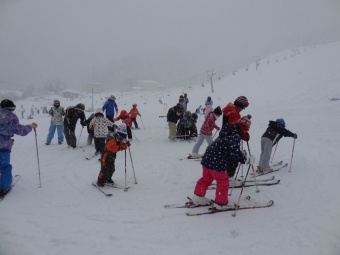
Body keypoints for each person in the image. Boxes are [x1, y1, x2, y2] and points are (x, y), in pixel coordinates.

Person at [189, 116, 255, 210]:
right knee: (223, 181)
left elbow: (229, 147)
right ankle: (221, 203)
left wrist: (240, 154)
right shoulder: (235, 135)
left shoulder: (228, 131)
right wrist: (246, 159)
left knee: (206, 179)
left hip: (208, 157)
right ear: (244, 128)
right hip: (217, 161)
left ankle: (198, 197)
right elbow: (234, 152)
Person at [0, 99, 37, 196]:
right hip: (2, 147)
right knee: (4, 167)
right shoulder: (10, 117)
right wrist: (30, 126)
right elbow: (19, 130)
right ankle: (4, 187)